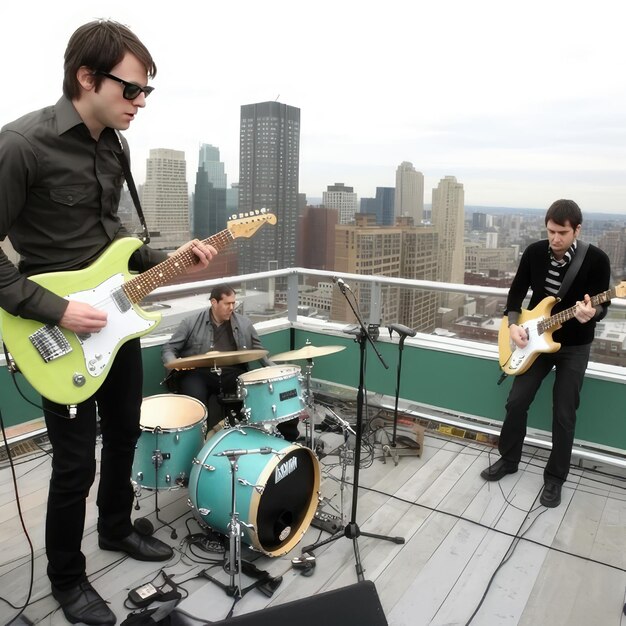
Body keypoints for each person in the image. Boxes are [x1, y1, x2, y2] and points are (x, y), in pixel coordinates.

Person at [0, 20, 216, 625]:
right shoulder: (21, 144)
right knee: (75, 463)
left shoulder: (114, 146)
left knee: (125, 431)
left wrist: (166, 257)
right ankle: (67, 580)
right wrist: (56, 308)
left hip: (116, 321)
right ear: (86, 78)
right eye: (131, 90)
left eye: (147, 92)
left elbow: (112, 240)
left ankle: (117, 527)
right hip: (58, 334)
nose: (140, 103)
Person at [481, 199, 611, 508]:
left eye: (562, 232)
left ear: (577, 229)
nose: (555, 238)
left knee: (564, 413)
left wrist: (591, 313)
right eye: (551, 231)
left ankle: (554, 479)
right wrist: (514, 325)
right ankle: (509, 459)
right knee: (516, 401)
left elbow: (602, 305)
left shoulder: (596, 259)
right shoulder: (534, 253)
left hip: (575, 346)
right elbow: (516, 294)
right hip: (535, 339)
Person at [162, 283, 300, 440]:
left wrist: (279, 376)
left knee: (259, 396)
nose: (232, 307)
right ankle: (196, 443)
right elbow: (169, 348)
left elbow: (259, 352)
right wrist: (174, 364)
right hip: (198, 373)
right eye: (227, 303)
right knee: (196, 402)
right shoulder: (191, 322)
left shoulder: (244, 324)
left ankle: (274, 438)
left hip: (231, 372)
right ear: (214, 302)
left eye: (234, 303)